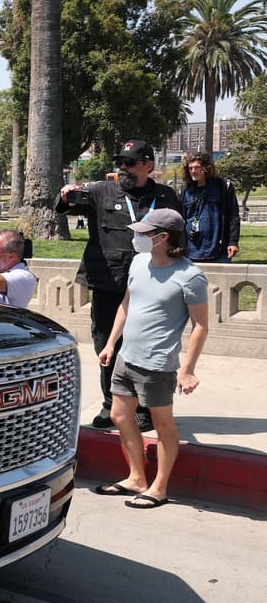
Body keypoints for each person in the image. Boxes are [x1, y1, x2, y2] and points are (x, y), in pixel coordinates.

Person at [58, 138, 182, 431]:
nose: (123, 168)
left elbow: (178, 236)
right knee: (106, 346)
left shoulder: (166, 197)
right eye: (121, 163)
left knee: (146, 347)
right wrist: (65, 196)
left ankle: (143, 408)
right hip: (108, 283)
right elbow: (67, 205)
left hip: (152, 284)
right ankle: (109, 404)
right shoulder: (102, 191)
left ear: (148, 166)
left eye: (130, 163)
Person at [93, 209, 208, 510]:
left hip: (157, 363)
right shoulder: (139, 262)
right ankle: (136, 478)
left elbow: (201, 326)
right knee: (119, 416)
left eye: (144, 233)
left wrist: (188, 370)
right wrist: (110, 343)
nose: (138, 237)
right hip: (126, 357)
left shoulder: (190, 276)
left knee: (163, 424)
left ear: (163, 237)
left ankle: (159, 487)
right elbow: (127, 304)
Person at [180, 151, 240, 263]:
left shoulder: (223, 187)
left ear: (207, 168)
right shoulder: (185, 190)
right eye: (190, 168)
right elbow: (180, 219)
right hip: (191, 251)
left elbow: (233, 216)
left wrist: (233, 241)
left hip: (218, 250)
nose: (193, 171)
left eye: (197, 167)